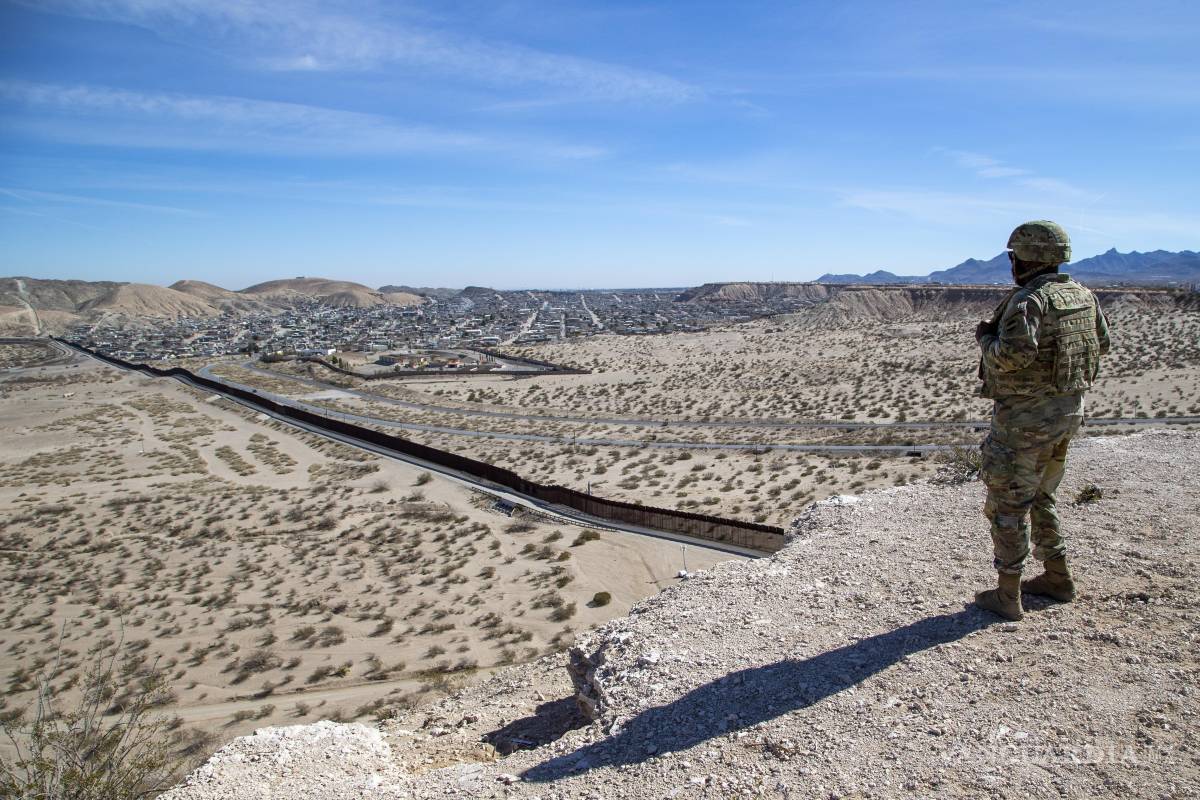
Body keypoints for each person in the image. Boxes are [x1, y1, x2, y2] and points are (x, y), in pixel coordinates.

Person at [973, 220, 1110, 621]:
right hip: (1067, 415)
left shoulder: (1029, 301)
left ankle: (1008, 594)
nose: (1012, 263)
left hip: (1024, 422)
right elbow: (1102, 343)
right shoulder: (1082, 295)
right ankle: (1056, 577)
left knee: (1008, 505)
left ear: (1029, 257)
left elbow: (1010, 357)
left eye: (1015, 255)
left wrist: (985, 338)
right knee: (1042, 497)